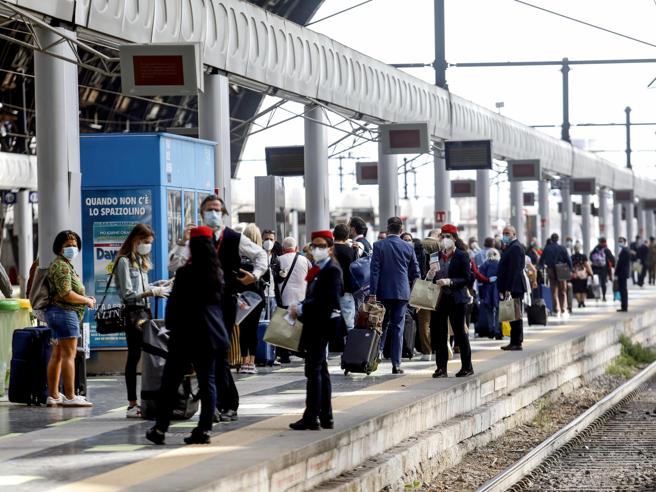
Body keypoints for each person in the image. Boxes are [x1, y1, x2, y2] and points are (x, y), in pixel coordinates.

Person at [168, 195, 267, 421]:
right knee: (202, 354)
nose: (213, 213)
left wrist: (256, 275)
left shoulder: (233, 237)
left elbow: (260, 254)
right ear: (202, 213)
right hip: (197, 304)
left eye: (216, 209)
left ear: (223, 213)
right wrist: (183, 242)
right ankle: (213, 405)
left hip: (224, 302)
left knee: (218, 354)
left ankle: (227, 404)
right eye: (209, 209)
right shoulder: (194, 237)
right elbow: (174, 265)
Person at [146, 226, 229, 445]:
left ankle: (160, 428)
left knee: (170, 382)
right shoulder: (217, 272)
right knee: (207, 382)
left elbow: (174, 305)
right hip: (210, 335)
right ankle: (204, 430)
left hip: (184, 335)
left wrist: (171, 327)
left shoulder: (185, 272)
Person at [288, 230, 343, 430]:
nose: (317, 249)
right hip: (318, 322)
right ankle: (326, 415)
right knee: (321, 369)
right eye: (314, 245)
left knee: (313, 369)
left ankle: (311, 416)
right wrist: (302, 305)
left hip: (323, 323)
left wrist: (302, 308)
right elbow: (315, 296)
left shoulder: (332, 270)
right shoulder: (319, 268)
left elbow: (327, 301)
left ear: (330, 248)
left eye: (321, 246)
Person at [115, 223, 170, 418]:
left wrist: (157, 285)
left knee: (149, 354)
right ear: (136, 239)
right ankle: (132, 403)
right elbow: (129, 294)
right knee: (134, 356)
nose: (148, 246)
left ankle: (148, 397)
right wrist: (150, 292)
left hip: (145, 312)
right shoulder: (123, 262)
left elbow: (143, 287)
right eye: (145, 242)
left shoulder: (139, 261)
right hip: (133, 313)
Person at [45, 230, 94, 407]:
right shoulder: (63, 266)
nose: (72, 248)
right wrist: (86, 300)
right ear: (59, 248)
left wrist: (85, 299)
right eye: (68, 246)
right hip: (65, 313)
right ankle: (71, 396)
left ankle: (54, 395)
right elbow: (66, 294)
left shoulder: (61, 265)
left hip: (56, 313)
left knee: (57, 355)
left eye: (74, 245)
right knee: (68, 355)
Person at [369, 217, 420, 374]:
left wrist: (372, 293)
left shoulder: (378, 245)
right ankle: (396, 364)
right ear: (401, 229)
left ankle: (374, 358)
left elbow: (374, 271)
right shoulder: (408, 247)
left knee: (380, 326)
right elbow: (416, 272)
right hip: (402, 292)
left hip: (383, 292)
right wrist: (415, 292)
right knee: (398, 327)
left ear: (387, 228)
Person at [428, 223, 474, 378]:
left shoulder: (462, 255)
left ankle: (467, 367)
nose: (445, 239)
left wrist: (450, 281)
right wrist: (429, 276)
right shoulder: (435, 256)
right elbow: (429, 277)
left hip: (457, 299)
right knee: (440, 333)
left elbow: (467, 278)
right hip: (440, 299)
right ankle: (441, 368)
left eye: (448, 237)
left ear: (454, 238)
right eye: (443, 236)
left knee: (460, 332)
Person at [275, 237, 312, 363]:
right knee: (302, 328)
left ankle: (284, 355)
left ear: (284, 249)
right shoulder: (305, 260)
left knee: (285, 327)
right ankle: (302, 351)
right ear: (296, 248)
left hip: (285, 298)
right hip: (301, 299)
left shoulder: (278, 260)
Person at [237, 224, 267, 374]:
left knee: (243, 329)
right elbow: (267, 277)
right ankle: (252, 362)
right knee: (253, 329)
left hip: (242, 297)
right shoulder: (261, 254)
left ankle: (243, 361)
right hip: (257, 297)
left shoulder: (238, 255)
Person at [497, 226, 527, 351]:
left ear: (514, 234)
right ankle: (513, 341)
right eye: (503, 233)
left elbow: (514, 270)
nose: (505, 235)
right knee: (512, 314)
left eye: (507, 233)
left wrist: (508, 288)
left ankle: (517, 342)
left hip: (515, 286)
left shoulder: (515, 248)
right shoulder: (511, 247)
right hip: (512, 285)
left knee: (515, 314)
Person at [416, 233, 440, 360]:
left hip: (423, 286)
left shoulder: (419, 245)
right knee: (439, 320)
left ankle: (427, 352)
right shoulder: (438, 245)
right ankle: (441, 347)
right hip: (439, 286)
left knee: (424, 321)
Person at [538, 233, 572, 317]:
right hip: (561, 270)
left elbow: (541, 261)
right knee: (563, 290)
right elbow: (568, 260)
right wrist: (570, 270)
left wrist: (541, 268)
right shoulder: (562, 248)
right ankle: (563, 309)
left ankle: (556, 310)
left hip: (551, 270)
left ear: (551, 239)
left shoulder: (547, 248)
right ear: (558, 239)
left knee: (554, 291)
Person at [333, 224, 357, 331]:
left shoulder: (327, 251)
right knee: (348, 326)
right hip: (346, 292)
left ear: (333, 235)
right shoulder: (350, 251)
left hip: (328, 293)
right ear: (347, 236)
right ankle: (347, 348)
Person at [478, 248, 501, 339]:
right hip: (498, 289)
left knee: (489, 312)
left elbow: (480, 279)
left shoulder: (484, 265)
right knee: (498, 311)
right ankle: (498, 331)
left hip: (487, 290)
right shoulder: (499, 264)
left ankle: (491, 330)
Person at [589, 237, 615, 302]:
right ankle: (603, 296)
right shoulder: (607, 250)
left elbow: (590, 257)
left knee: (596, 283)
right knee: (603, 283)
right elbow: (612, 259)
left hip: (595, 269)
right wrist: (613, 266)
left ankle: (597, 296)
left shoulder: (595, 249)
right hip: (604, 269)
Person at [570, 243, 592, 308]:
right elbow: (587, 265)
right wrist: (591, 273)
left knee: (577, 289)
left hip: (575, 275)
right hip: (583, 275)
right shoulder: (583, 256)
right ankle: (583, 301)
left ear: (574, 249)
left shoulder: (572, 257)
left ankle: (579, 302)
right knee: (583, 289)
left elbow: (570, 266)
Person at [615, 237, 631, 312]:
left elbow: (620, 263)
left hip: (622, 273)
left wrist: (616, 272)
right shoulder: (625, 250)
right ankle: (624, 306)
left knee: (623, 289)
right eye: (619, 241)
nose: (619, 243)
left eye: (621, 241)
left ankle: (624, 306)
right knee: (623, 289)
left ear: (625, 242)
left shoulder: (625, 251)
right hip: (623, 273)